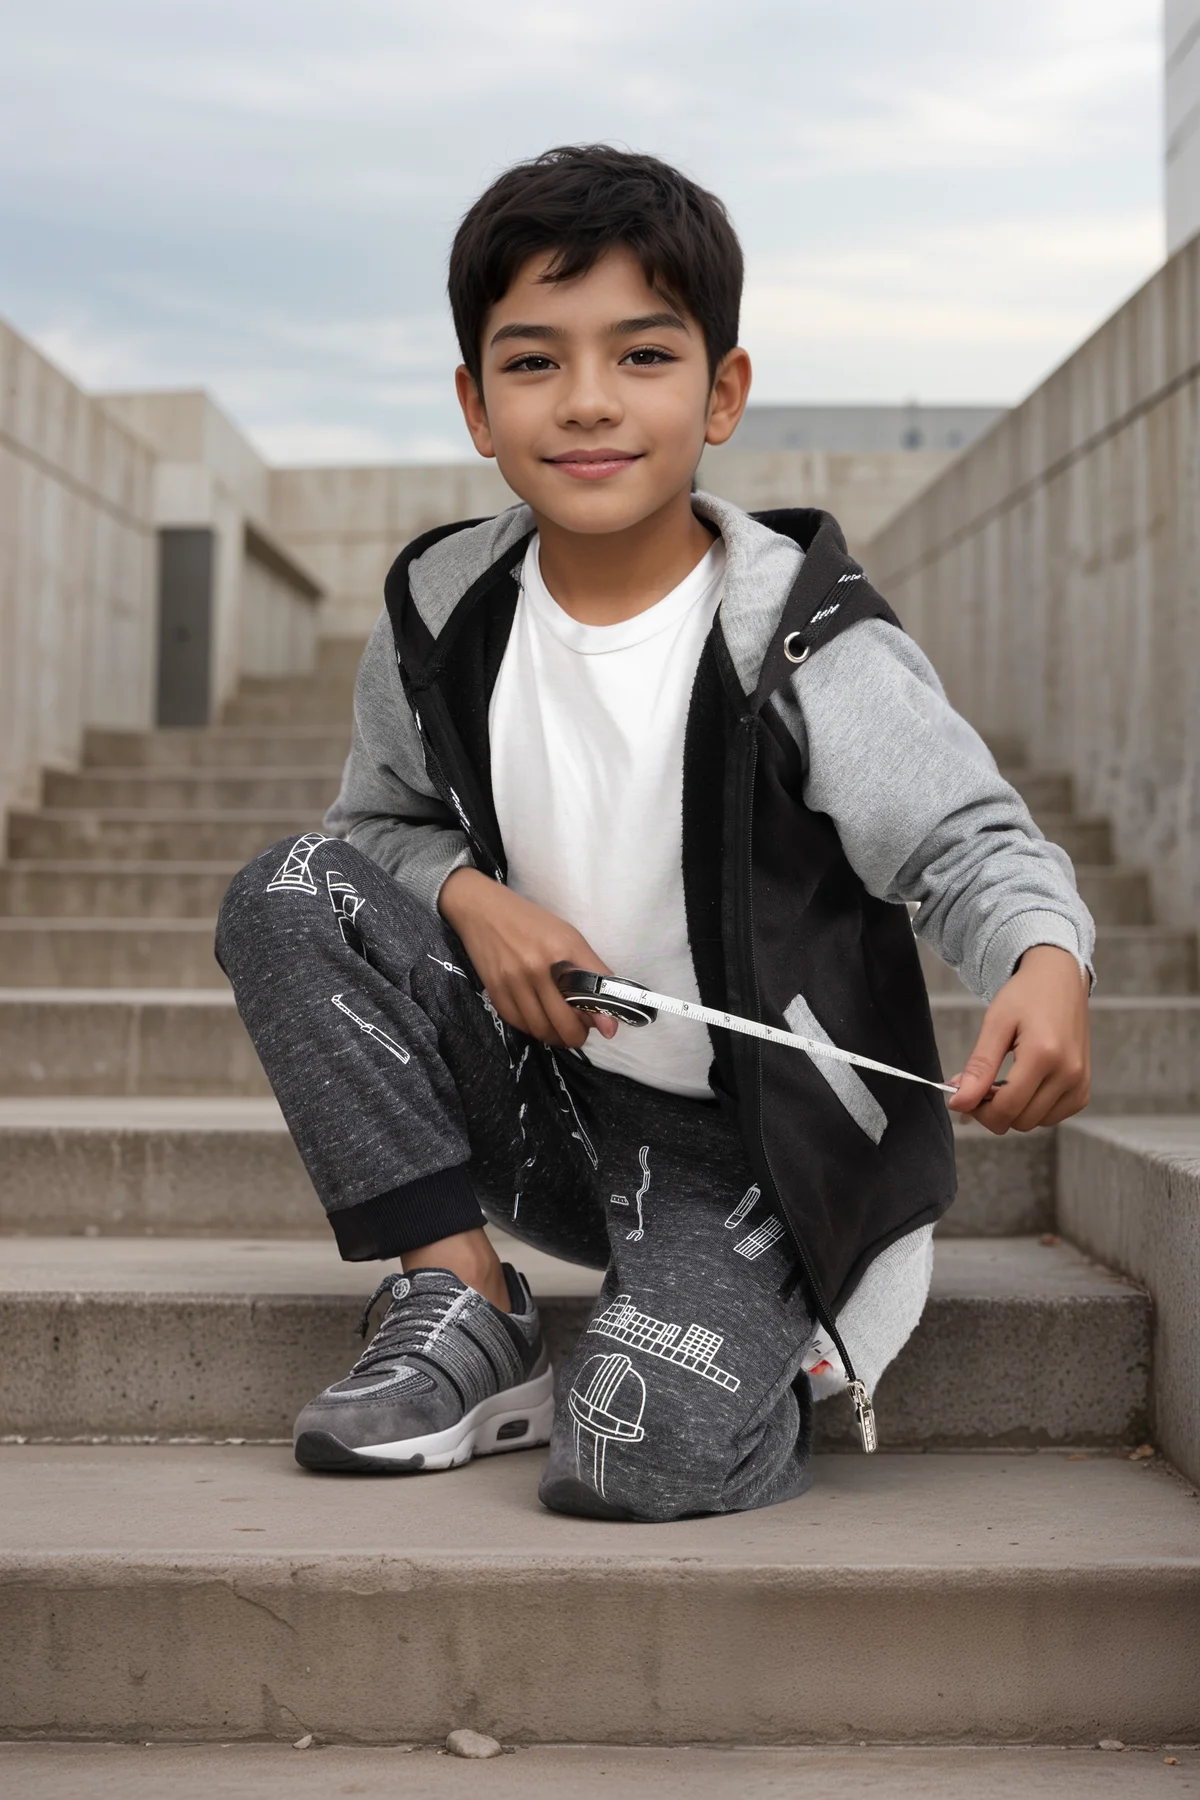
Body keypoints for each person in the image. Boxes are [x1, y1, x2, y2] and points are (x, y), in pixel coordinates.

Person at [216, 145, 1093, 1521]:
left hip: (751, 1149)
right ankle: (464, 1294)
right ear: (474, 403)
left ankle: (748, 1313)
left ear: (722, 391)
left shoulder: (803, 638)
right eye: (532, 363)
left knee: (633, 1456)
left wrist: (1043, 956)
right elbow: (374, 827)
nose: (586, 404)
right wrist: (469, 899)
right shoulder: (443, 609)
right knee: (290, 889)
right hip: (552, 1105)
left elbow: (969, 843)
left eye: (640, 355)